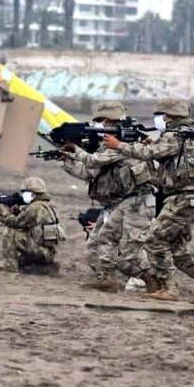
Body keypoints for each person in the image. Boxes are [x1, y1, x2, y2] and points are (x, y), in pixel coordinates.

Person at [101, 98, 194, 303]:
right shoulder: (186, 136)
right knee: (178, 249)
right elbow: (163, 154)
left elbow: (148, 153)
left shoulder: (174, 135)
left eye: (160, 115)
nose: (157, 119)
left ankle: (170, 288)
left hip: (181, 198)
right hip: (188, 199)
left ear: (169, 117)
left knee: (154, 239)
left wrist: (119, 145)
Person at [59, 101, 155, 292]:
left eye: (102, 121)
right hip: (117, 202)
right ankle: (106, 278)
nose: (98, 125)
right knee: (98, 242)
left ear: (112, 120)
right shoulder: (108, 144)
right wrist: (67, 161)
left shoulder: (124, 142)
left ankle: (152, 280)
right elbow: (89, 173)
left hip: (136, 202)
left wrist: (75, 149)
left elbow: (93, 161)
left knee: (130, 250)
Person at [0, 177, 66, 275]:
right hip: (49, 251)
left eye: (25, 192)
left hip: (42, 252)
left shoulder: (35, 208)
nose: (23, 195)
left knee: (10, 234)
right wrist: (17, 212)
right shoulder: (48, 206)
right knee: (22, 241)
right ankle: (38, 268)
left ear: (33, 194)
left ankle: (10, 269)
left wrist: (1, 211)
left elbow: (15, 223)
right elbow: (30, 223)